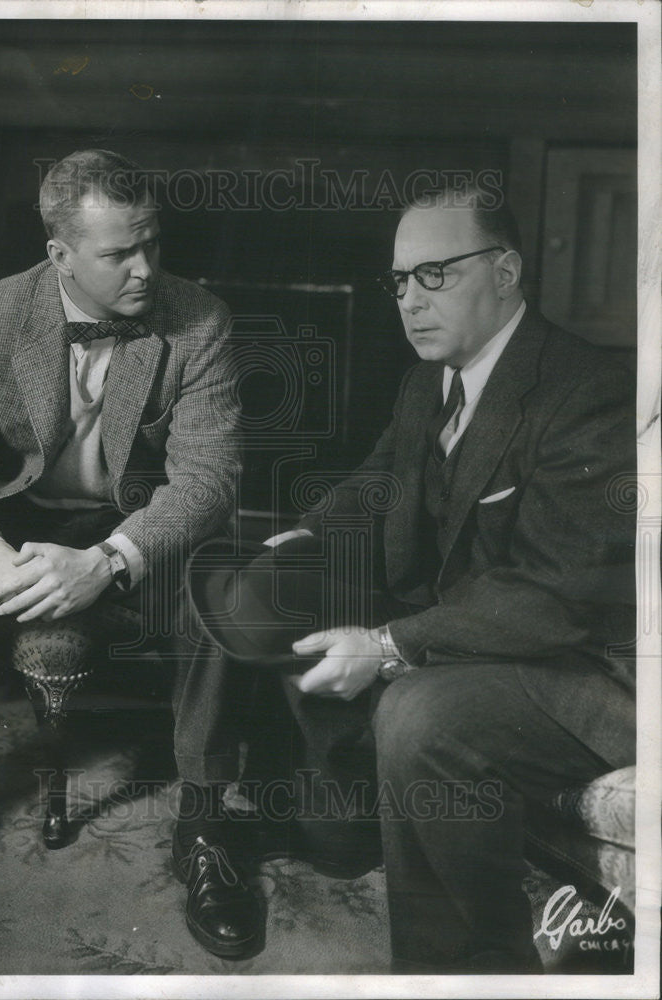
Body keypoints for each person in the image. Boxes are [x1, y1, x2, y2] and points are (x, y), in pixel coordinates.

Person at [170, 186, 636, 970]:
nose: (409, 302)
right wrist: (306, 537)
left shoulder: (584, 391)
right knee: (261, 585)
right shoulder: (429, 378)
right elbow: (377, 481)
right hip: (468, 625)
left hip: (574, 670)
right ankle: (317, 823)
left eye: (434, 275)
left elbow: (556, 598)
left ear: (506, 271)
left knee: (418, 709)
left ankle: (465, 973)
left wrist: (387, 644)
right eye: (398, 281)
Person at [0, 149, 241, 915]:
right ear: (59, 255)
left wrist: (108, 560)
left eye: (152, 243)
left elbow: (207, 481)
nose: (144, 268)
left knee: (221, 583)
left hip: (135, 522)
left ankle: (204, 819)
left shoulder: (198, 318)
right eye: (118, 253)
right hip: (13, 520)